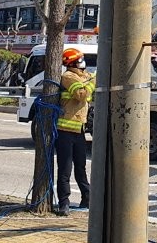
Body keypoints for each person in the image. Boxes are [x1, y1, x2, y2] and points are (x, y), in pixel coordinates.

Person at [55, 47, 95, 215]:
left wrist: (90, 81)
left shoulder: (81, 76)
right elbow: (81, 94)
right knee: (65, 169)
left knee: (81, 166)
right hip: (64, 130)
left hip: (79, 129)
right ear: (73, 62)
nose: (83, 62)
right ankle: (64, 203)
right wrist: (92, 82)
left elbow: (87, 90)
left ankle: (87, 197)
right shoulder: (68, 76)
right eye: (80, 59)